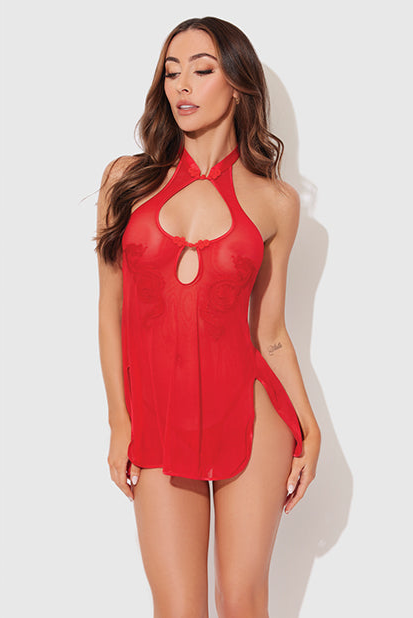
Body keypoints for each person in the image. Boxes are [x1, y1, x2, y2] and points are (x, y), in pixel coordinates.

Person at [94, 16, 321, 618]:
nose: (182, 86)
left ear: (239, 86)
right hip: (159, 416)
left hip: (251, 412)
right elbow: (110, 311)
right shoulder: (126, 182)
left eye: (201, 70)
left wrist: (309, 426)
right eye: (171, 72)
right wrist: (119, 421)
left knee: (242, 600)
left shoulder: (276, 202)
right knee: (177, 607)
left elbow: (270, 334)